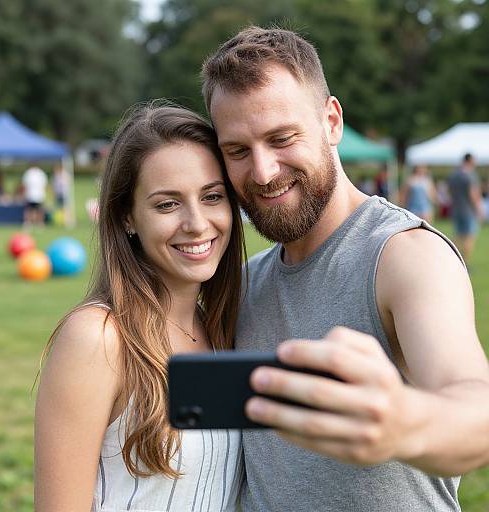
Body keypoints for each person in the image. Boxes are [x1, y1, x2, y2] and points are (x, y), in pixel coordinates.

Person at [202, 26, 489, 512]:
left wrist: (403, 422)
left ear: (331, 122)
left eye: (282, 138)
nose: (264, 170)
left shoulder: (404, 255)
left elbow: (476, 410)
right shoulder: (246, 282)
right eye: (237, 151)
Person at [34, 104, 246, 511]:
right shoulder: (98, 339)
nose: (198, 223)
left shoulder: (225, 331)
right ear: (128, 216)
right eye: (167, 204)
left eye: (212, 196)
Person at [447, 153, 484, 265]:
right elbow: (473, 193)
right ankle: (465, 263)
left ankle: (453, 261)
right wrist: (479, 209)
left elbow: (449, 192)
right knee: (469, 237)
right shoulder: (470, 175)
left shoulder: (454, 175)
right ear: (470, 161)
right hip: (469, 210)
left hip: (456, 209)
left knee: (458, 236)